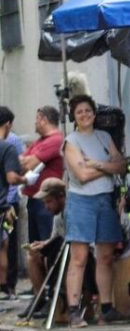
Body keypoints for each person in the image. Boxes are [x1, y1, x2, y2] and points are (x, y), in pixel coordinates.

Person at [63, 94, 126, 328]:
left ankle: (107, 308)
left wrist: (97, 164)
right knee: (79, 257)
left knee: (106, 256)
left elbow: (123, 165)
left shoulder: (104, 136)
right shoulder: (71, 141)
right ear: (74, 116)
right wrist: (108, 167)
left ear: (94, 113)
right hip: (81, 201)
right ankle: (73, 310)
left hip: (105, 199)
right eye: (79, 112)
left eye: (88, 111)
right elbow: (81, 175)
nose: (85, 115)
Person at [19, 178, 67, 319]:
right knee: (32, 256)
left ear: (60, 197)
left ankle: (51, 298)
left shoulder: (70, 213)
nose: (46, 207)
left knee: (49, 258)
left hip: (71, 255)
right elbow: (54, 238)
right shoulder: (57, 216)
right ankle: (40, 296)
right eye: (44, 203)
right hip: (59, 250)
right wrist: (42, 244)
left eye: (49, 202)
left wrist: (47, 246)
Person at [20, 105, 64, 245]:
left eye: (37, 119)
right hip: (33, 199)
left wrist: (26, 161)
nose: (35, 122)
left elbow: (27, 164)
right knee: (34, 246)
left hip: (47, 200)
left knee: (46, 245)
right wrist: (25, 161)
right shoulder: (39, 141)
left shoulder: (55, 140)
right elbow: (20, 163)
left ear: (44, 119)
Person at [0, 107, 24, 297]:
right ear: (7, 124)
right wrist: (25, 180)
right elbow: (11, 178)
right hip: (3, 206)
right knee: (4, 246)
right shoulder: (6, 146)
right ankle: (4, 289)